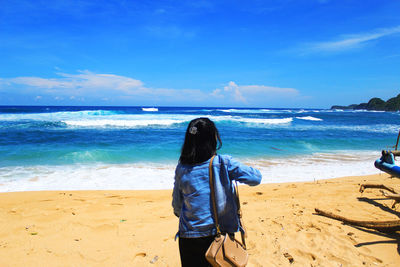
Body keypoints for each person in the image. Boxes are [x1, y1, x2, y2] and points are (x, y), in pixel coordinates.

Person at [172, 117, 262, 267]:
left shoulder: (182, 167)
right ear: (212, 139)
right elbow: (255, 178)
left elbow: (177, 204)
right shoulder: (223, 163)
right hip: (217, 236)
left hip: (188, 237)